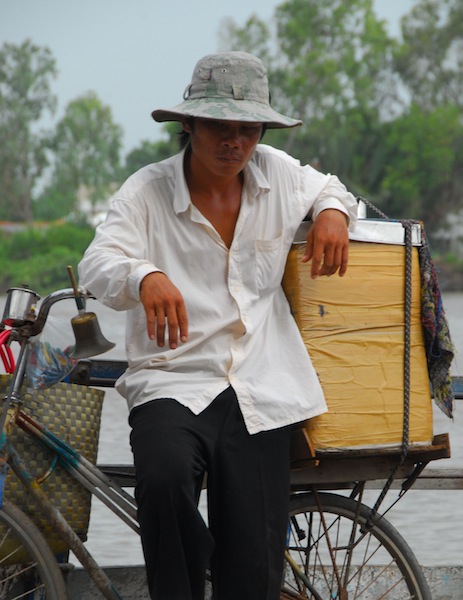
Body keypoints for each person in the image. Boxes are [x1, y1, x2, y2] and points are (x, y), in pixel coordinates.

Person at [78, 51, 358, 600]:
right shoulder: (146, 192)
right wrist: (143, 275)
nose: (234, 143)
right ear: (189, 124)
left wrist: (331, 213)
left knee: (253, 562)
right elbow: (97, 263)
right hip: (172, 380)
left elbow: (331, 187)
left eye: (248, 130)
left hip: (261, 385)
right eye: (219, 128)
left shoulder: (276, 172)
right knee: (162, 479)